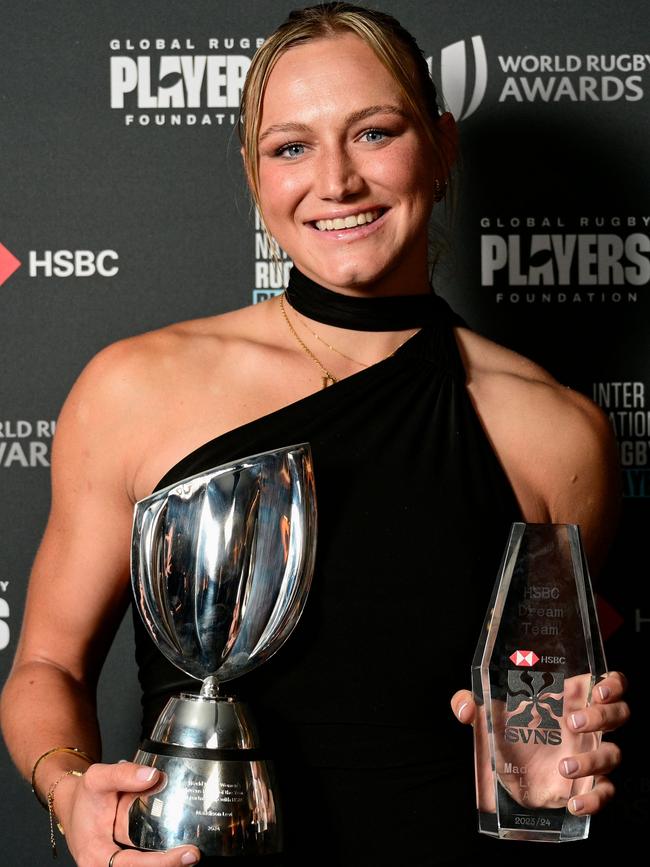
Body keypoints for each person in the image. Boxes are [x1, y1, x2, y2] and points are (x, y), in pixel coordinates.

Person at [0, 3, 630, 866]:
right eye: (290, 146)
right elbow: (48, 667)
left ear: (442, 146)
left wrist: (559, 763)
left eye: (373, 133)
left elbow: (548, 724)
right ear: (257, 176)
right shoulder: (134, 388)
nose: (334, 181)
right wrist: (69, 789)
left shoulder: (558, 433)